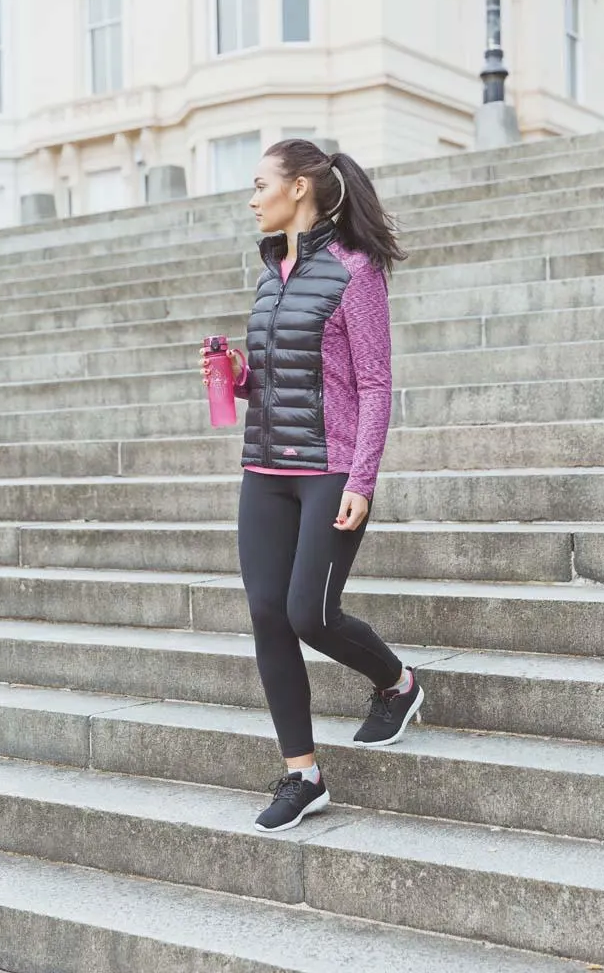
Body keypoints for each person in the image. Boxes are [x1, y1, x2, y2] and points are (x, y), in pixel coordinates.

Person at [198, 140, 425, 834]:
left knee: (310, 614)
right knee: (268, 615)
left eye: (259, 184)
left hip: (331, 467)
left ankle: (398, 683)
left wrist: (363, 478)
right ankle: (304, 774)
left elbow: (375, 384)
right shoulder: (270, 273)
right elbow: (277, 376)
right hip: (265, 467)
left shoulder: (356, 271)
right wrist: (238, 374)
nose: (251, 198)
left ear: (298, 187)